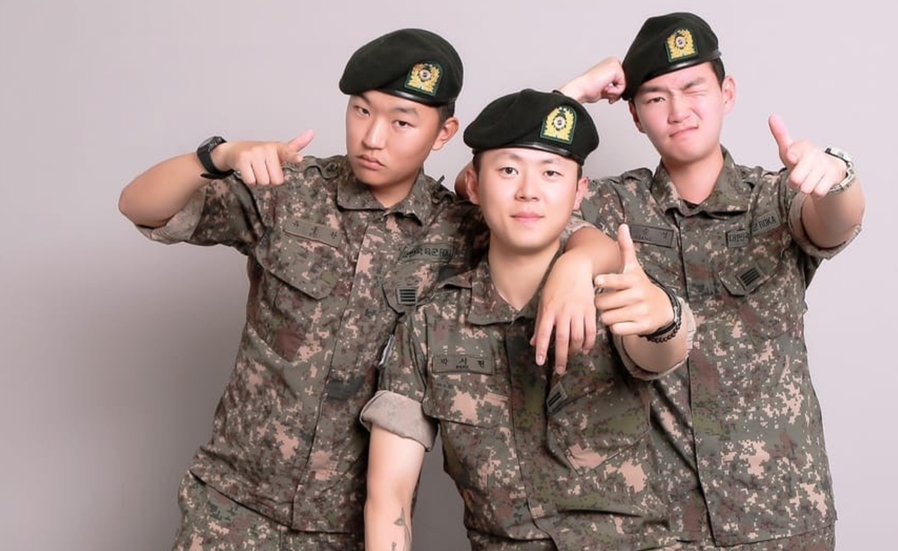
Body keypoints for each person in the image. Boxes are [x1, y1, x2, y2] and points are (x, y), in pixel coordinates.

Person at [118, 29, 616, 551]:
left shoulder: (460, 229)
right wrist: (218, 155)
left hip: (354, 525)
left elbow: (540, 195)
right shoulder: (291, 192)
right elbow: (139, 205)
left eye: (401, 121)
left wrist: (578, 263)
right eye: (361, 111)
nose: (373, 137)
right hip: (233, 506)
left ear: (444, 132)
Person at [555, 12, 866, 551]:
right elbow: (505, 181)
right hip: (658, 526)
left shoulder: (776, 197)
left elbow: (835, 220)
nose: (678, 111)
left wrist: (836, 177)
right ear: (633, 117)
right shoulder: (613, 205)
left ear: (727, 93)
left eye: (693, 88)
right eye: (655, 98)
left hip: (783, 516)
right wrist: (569, 95)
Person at [361, 89, 695, 551]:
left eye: (551, 173)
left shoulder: (614, 288)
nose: (529, 191)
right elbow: (389, 498)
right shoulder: (428, 327)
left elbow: (661, 348)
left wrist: (664, 318)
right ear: (474, 185)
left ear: (579, 192)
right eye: (509, 169)